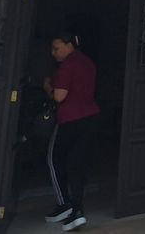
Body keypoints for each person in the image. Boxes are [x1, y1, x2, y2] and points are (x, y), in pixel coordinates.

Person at [43, 33, 100, 231]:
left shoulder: (67, 65)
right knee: (77, 164)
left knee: (54, 159)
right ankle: (77, 209)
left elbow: (59, 96)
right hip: (90, 117)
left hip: (70, 119)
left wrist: (47, 87)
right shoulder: (88, 63)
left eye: (56, 48)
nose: (54, 53)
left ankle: (64, 203)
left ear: (69, 45)